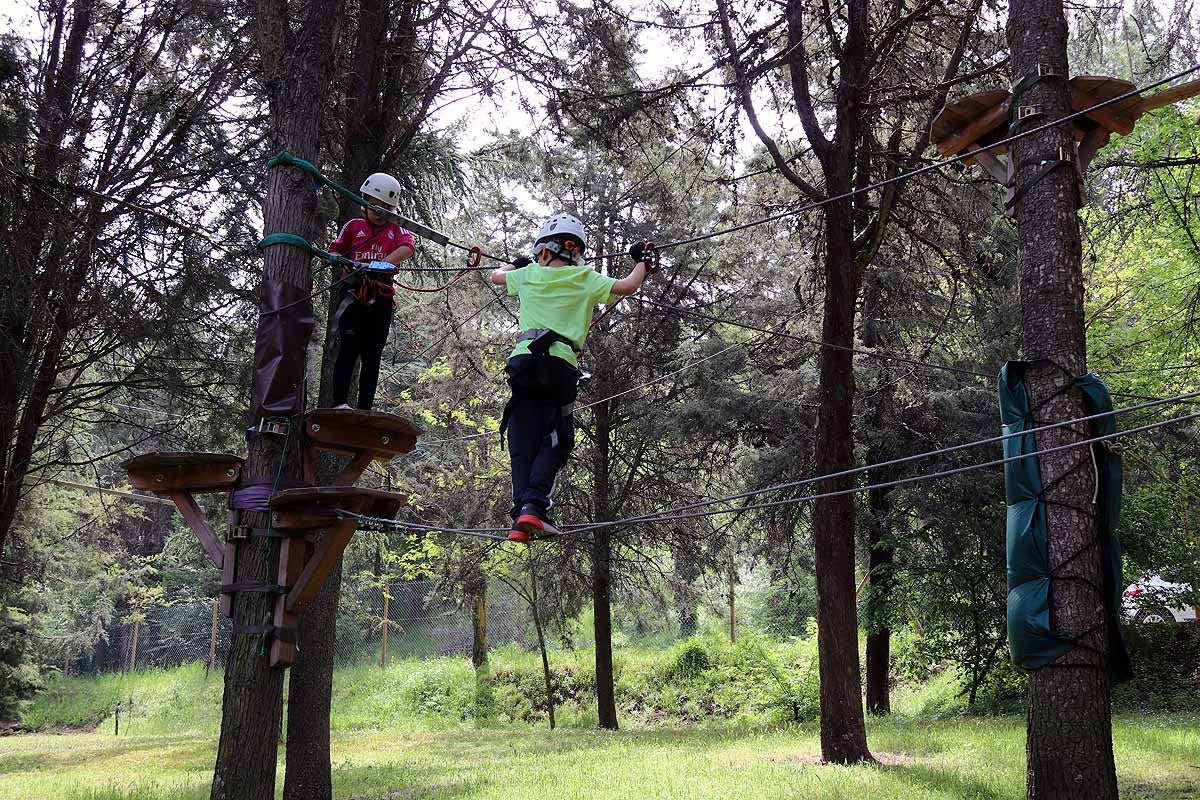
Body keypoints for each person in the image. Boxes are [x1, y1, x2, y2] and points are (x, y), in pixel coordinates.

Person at [490, 213, 653, 541]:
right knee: (558, 436)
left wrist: (515, 264)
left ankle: (522, 513)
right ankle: (533, 508)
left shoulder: (527, 274)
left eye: (538, 254)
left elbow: (496, 277)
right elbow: (629, 286)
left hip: (522, 363)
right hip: (559, 366)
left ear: (546, 252)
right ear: (574, 252)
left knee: (522, 436)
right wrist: (643, 261)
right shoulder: (584, 276)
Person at [328, 172, 416, 410]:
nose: (379, 214)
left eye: (386, 209)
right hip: (354, 293)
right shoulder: (353, 226)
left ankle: (365, 407)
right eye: (375, 207)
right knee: (348, 347)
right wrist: (342, 263)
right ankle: (340, 402)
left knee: (372, 353)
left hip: (381, 295)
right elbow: (335, 251)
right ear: (365, 201)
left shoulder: (396, 229)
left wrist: (381, 263)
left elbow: (408, 246)